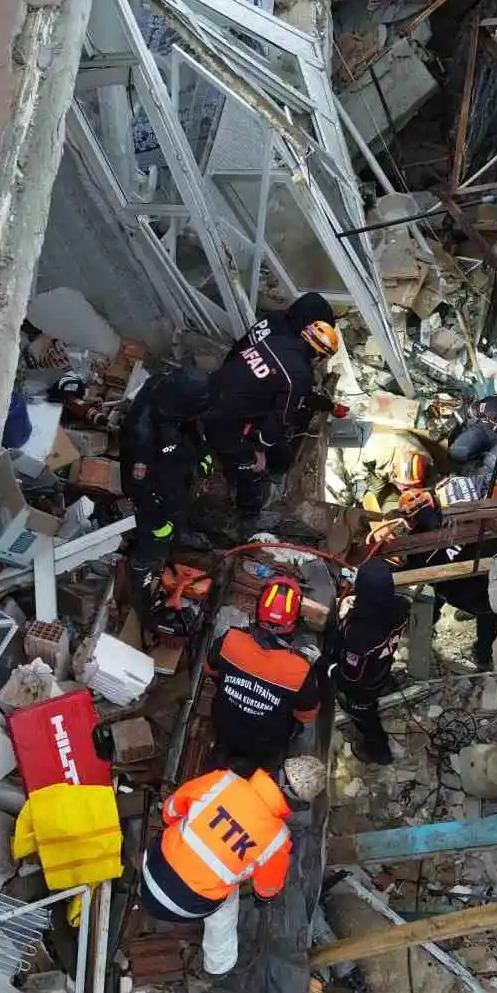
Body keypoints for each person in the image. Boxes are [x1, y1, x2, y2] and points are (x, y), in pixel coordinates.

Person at [138, 755, 325, 975]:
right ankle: (219, 966)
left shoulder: (223, 781)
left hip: (151, 869)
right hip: (182, 907)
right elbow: (266, 890)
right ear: (300, 805)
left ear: (276, 769)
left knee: (184, 826)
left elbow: (170, 810)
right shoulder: (277, 841)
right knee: (228, 902)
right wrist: (261, 899)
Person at [204, 293, 342, 534]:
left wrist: (326, 405)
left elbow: (287, 389)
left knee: (281, 453)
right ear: (318, 354)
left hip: (221, 388)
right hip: (225, 417)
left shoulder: (279, 340)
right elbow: (280, 418)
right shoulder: (298, 373)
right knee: (249, 467)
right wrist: (258, 451)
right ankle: (248, 518)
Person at [204, 578, 323, 771]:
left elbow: (210, 670)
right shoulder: (300, 670)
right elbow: (307, 715)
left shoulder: (230, 640)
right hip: (266, 743)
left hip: (224, 725)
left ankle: (220, 758)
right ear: (294, 622)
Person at [392, 485, 497, 671]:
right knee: (454, 590)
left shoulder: (418, 551)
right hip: (494, 563)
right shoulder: (459, 514)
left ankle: (483, 655)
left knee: (484, 609)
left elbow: (412, 574)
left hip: (472, 589)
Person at [119, 366, 215, 578]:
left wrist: (202, 452)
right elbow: (140, 486)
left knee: (179, 500)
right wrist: (158, 520)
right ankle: (145, 559)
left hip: (173, 463)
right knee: (154, 528)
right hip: (151, 481)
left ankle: (181, 532)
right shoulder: (142, 433)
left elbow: (194, 423)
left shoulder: (169, 387)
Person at [326, 560, 409, 765]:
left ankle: (379, 751)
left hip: (363, 687)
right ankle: (384, 686)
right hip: (381, 666)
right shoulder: (401, 605)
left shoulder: (361, 636)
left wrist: (326, 666)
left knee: (364, 717)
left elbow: (350, 679)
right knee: (378, 673)